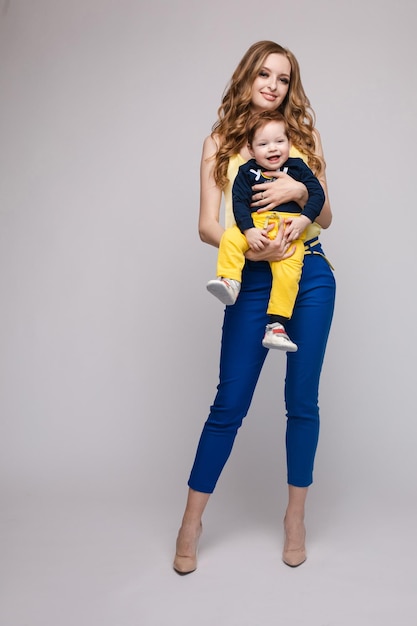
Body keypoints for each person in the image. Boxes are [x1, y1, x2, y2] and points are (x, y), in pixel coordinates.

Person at [174, 40, 335, 574]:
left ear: (291, 88)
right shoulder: (219, 143)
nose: (272, 85)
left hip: (308, 274)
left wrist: (295, 188)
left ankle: (295, 519)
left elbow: (327, 216)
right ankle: (192, 522)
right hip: (253, 273)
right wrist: (249, 241)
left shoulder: (300, 139)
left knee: (302, 400)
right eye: (263, 74)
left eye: (283, 78)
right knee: (230, 402)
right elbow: (205, 224)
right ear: (246, 77)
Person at [206, 110, 325, 352]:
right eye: (263, 144)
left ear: (289, 143)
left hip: (289, 232)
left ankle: (277, 325)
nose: (272, 149)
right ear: (251, 150)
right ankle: (229, 281)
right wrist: (248, 232)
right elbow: (239, 203)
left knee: (289, 274)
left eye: (279, 142)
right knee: (230, 237)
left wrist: (304, 219)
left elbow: (318, 196)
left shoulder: (299, 168)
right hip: (256, 230)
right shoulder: (246, 172)